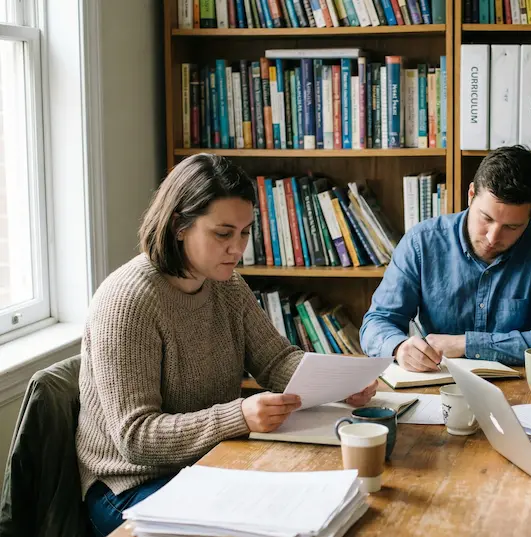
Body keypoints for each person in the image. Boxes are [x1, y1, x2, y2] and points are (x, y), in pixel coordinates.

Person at [76, 154, 378, 537]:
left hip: (210, 464)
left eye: (245, 232)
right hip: (129, 486)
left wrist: (339, 381)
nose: (237, 249)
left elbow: (276, 360)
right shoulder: (127, 301)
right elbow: (136, 437)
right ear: (179, 226)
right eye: (223, 234)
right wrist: (239, 416)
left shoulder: (227, 285)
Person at [359, 145, 531, 371]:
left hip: (524, 386)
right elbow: (376, 323)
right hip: (438, 382)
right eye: (486, 218)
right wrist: (399, 347)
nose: (492, 237)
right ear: (471, 194)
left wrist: (465, 344)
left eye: (512, 227)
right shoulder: (422, 242)